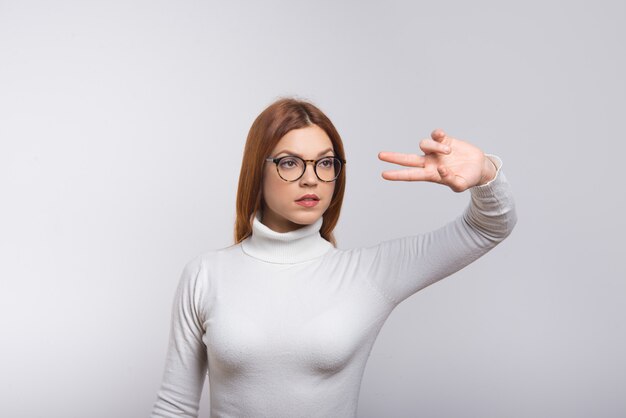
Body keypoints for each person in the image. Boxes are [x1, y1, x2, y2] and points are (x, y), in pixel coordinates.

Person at [150, 97, 517, 417]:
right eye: (290, 162)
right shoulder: (206, 274)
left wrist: (485, 173)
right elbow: (175, 408)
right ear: (256, 170)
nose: (311, 179)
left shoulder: (369, 274)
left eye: (325, 163)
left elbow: (487, 228)